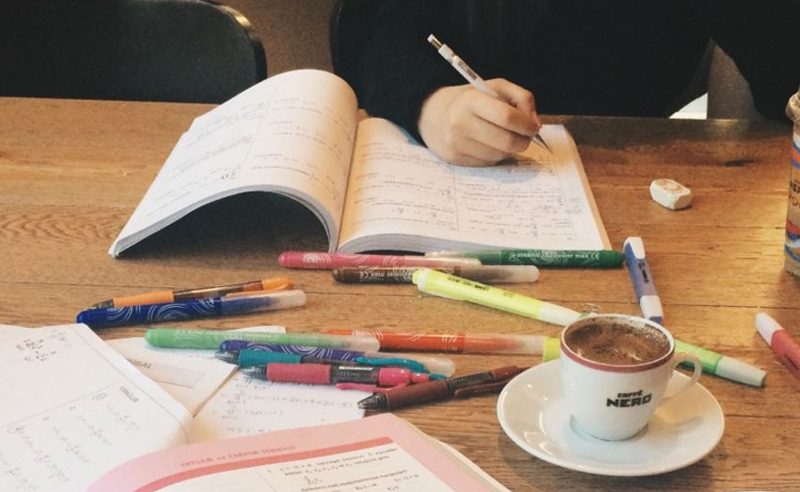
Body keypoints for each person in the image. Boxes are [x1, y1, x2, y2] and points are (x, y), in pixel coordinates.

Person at [353, 0, 800, 166]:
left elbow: (782, 67)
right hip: (454, 184)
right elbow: (380, 33)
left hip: (629, 199)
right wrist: (432, 103)